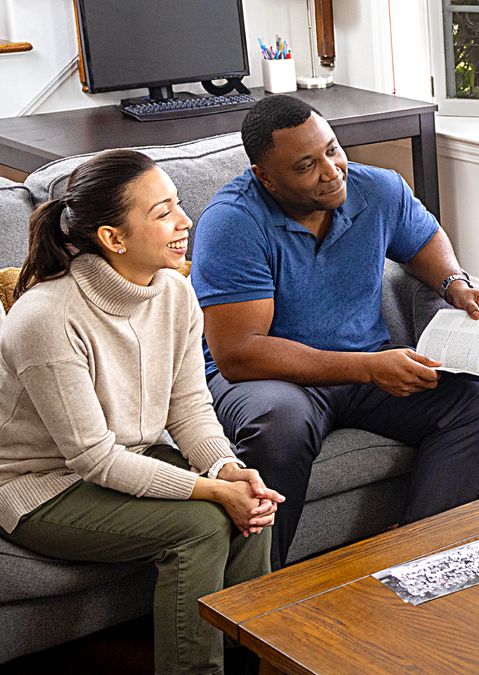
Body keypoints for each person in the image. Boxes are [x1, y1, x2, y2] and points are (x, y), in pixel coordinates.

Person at [190, 95, 479, 569]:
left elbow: (423, 239)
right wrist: (368, 369)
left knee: (474, 398)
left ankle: (423, 561)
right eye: (307, 165)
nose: (332, 170)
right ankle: (257, 597)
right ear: (265, 177)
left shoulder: (377, 190)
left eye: (333, 150)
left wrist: (455, 284)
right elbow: (239, 354)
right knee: (280, 424)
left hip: (363, 366)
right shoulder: (232, 224)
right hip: (268, 380)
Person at [0, 150, 281, 674]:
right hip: (39, 487)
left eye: (178, 204)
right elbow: (94, 460)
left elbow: (190, 406)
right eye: (163, 212)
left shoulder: (174, 290)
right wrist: (212, 491)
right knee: (202, 522)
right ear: (113, 238)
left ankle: (251, 665)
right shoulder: (48, 317)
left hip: (129, 458)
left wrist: (227, 470)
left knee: (254, 506)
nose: (185, 221)